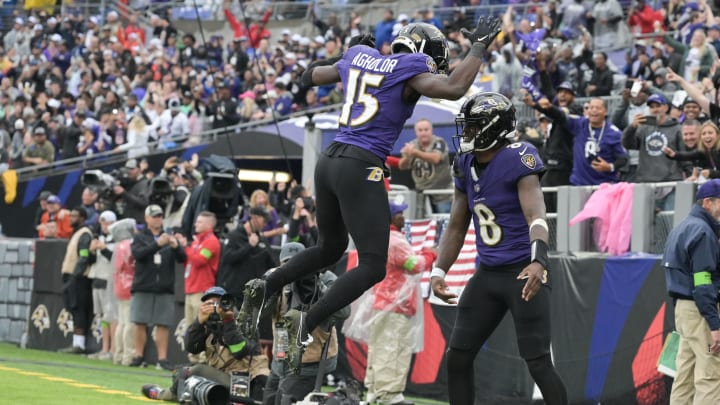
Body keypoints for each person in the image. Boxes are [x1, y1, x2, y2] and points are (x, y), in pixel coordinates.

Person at [242, 19, 503, 372]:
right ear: (423, 51)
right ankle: (306, 321)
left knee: (329, 248)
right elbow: (455, 87)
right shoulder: (410, 67)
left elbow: (308, 76)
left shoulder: (358, 56)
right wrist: (477, 48)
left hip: (329, 160)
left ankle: (267, 283)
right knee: (372, 264)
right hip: (360, 163)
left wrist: (347, 51)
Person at [430, 92, 567, 405]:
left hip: (523, 270)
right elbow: (455, 225)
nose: (466, 134)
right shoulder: (464, 163)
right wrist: (439, 269)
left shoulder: (518, 156)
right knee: (458, 357)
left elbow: (536, 215)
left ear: (493, 127)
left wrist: (539, 261)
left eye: (473, 127)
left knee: (538, 363)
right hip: (488, 273)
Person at [142, 286, 270, 402]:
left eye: (218, 303)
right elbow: (192, 348)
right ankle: (170, 394)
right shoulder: (208, 324)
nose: (214, 307)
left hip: (249, 381)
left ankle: (163, 394)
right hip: (224, 379)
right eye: (209, 304)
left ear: (227, 303)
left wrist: (228, 322)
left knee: (193, 371)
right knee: (182, 372)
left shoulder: (243, 320)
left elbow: (239, 351)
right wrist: (198, 322)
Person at [365, 201, 436, 405]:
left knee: (378, 348)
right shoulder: (394, 240)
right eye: (399, 214)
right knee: (393, 348)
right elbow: (414, 265)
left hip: (382, 301)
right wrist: (431, 254)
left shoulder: (378, 237)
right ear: (389, 217)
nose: (403, 217)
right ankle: (390, 395)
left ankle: (374, 390)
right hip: (395, 304)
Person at [261, 242, 347, 405]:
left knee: (284, 400)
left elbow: (344, 312)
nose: (293, 270)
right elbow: (259, 313)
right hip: (280, 359)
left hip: (310, 361)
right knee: (269, 401)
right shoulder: (275, 278)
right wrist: (272, 289)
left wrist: (315, 285)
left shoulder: (323, 278)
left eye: (297, 263)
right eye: (287, 265)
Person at [661, 179, 720, 403]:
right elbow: (703, 282)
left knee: (684, 375)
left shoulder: (683, 226)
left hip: (685, 311)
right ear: (708, 202)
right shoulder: (703, 231)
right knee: (711, 375)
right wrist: (715, 324)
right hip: (700, 310)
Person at [129, 204, 187, 370]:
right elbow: (138, 255)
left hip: (164, 286)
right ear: (147, 218)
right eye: (154, 216)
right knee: (139, 321)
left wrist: (176, 246)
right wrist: (157, 245)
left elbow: (182, 258)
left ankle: (162, 358)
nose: (157, 219)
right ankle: (139, 355)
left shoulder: (169, 236)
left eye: (160, 216)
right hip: (143, 285)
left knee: (163, 323)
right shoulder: (140, 237)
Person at [535, 97, 628, 186]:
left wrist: (610, 167)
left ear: (605, 111)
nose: (594, 110)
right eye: (591, 107)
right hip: (579, 183)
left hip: (603, 185)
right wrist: (548, 107)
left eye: (598, 108)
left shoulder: (614, 133)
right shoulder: (580, 124)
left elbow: (623, 158)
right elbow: (560, 116)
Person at [178, 211, 221, 362]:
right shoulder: (197, 242)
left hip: (202, 290)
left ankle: (204, 358)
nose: (196, 224)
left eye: (200, 222)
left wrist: (186, 247)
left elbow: (199, 261)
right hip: (190, 288)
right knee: (191, 326)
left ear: (209, 225)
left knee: (202, 326)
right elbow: (189, 262)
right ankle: (193, 357)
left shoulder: (211, 242)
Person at [399, 118, 453, 213]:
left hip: (442, 194)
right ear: (416, 132)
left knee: (444, 223)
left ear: (431, 130)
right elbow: (402, 166)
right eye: (420, 130)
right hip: (421, 194)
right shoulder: (412, 145)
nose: (423, 133)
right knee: (421, 224)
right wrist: (407, 156)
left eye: (426, 129)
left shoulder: (439, 142)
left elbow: (435, 158)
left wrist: (414, 152)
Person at [58, 207, 94, 354]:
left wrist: (75, 275)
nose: (71, 218)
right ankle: (76, 342)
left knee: (79, 309)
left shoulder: (84, 234)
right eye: (71, 215)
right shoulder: (78, 233)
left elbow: (84, 256)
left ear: (83, 218)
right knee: (74, 309)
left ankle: (79, 344)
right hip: (73, 276)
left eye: (74, 216)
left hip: (79, 278)